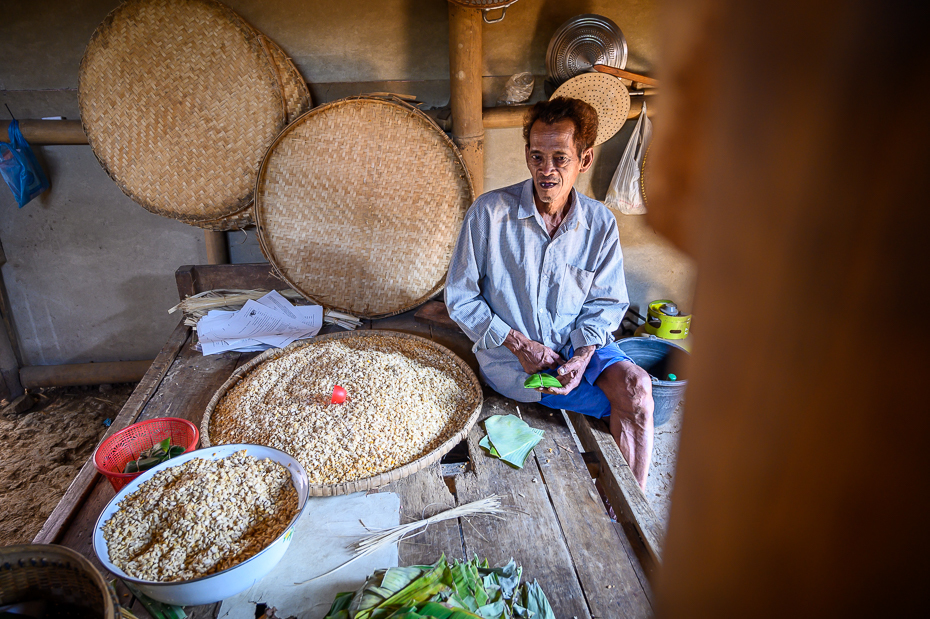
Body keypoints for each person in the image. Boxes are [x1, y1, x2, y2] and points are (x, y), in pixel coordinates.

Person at [444, 97, 655, 489]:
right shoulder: (489, 214)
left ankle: (633, 514)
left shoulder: (600, 223)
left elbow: (606, 303)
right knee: (629, 407)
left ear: (584, 160)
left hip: (580, 347)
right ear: (526, 154)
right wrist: (520, 344)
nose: (547, 171)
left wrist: (583, 353)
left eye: (560, 157)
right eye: (537, 156)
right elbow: (460, 298)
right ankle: (619, 506)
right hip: (520, 363)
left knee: (638, 390)